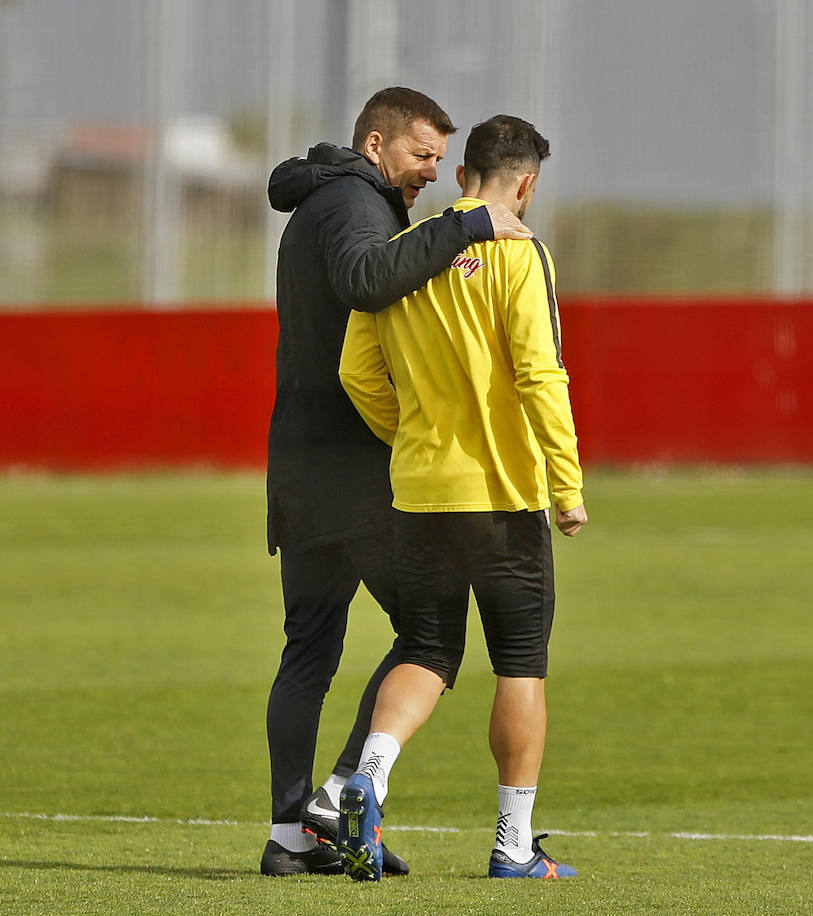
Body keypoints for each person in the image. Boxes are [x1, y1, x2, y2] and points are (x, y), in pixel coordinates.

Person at [260, 87, 533, 878]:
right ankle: (340, 792)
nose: (432, 174)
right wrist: (468, 224)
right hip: (358, 470)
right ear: (376, 145)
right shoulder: (354, 200)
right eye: (421, 155)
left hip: (303, 467)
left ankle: (291, 839)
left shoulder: (330, 195)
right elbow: (365, 279)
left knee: (308, 646)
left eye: (442, 162)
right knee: (429, 636)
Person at [336, 114, 585, 882]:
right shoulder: (520, 252)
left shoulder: (405, 249)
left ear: (458, 172)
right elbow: (540, 373)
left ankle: (367, 775)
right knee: (520, 665)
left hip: (419, 491)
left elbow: (356, 370)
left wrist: (408, 434)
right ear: (528, 183)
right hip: (504, 493)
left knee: (427, 651)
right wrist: (566, 485)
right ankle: (514, 845)